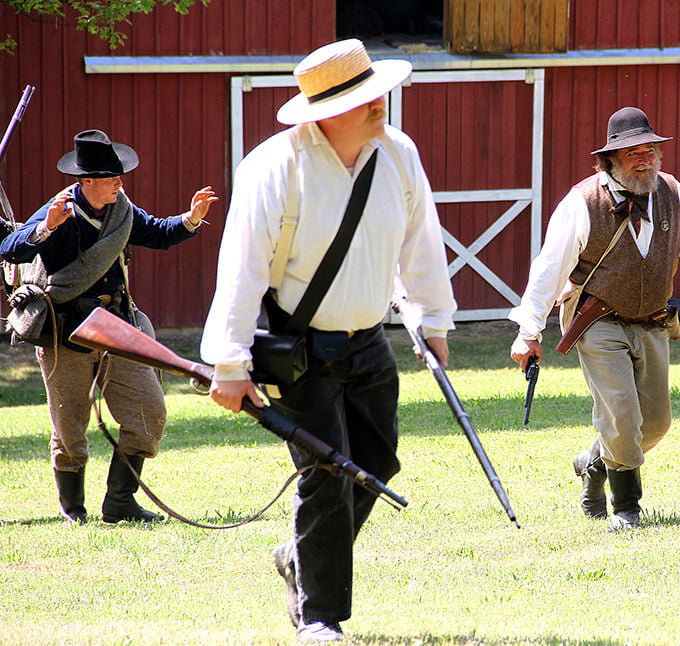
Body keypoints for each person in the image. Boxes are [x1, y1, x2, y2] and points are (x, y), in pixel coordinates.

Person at [200, 39, 456, 643]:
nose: (380, 106)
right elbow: (242, 269)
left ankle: (299, 557)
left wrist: (435, 321)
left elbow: (422, 240)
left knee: (377, 465)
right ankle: (321, 617)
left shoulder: (398, 154)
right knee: (327, 472)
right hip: (299, 351)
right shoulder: (273, 166)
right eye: (365, 100)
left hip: (369, 343)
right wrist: (230, 363)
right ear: (324, 112)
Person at [509, 107, 680, 530]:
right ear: (609, 160)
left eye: (650, 150)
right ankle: (627, 510)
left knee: (655, 422)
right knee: (622, 414)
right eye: (632, 153)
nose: (645, 159)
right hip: (597, 320)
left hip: (654, 320)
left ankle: (593, 463)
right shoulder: (582, 203)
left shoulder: (672, 194)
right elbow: (549, 269)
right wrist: (528, 332)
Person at [0, 129, 217, 524]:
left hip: (118, 326)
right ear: (87, 181)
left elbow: (157, 233)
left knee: (149, 413)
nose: (120, 182)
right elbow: (10, 247)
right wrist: (46, 227)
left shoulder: (120, 209)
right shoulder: (59, 209)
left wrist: (191, 219)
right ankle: (74, 511)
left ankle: (120, 503)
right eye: (112, 176)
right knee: (70, 428)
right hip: (65, 332)